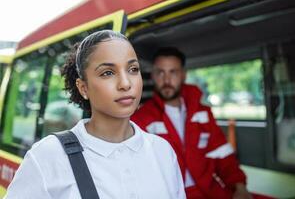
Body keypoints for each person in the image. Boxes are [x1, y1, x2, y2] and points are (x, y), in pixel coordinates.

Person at [4, 31, 186, 199]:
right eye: (108, 73)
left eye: (133, 69)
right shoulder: (47, 156)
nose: (125, 84)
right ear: (83, 88)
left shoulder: (163, 152)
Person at [131, 47, 252, 199]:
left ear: (183, 75)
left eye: (173, 72)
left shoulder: (203, 113)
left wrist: (239, 187)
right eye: (160, 72)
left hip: (210, 191)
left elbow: (223, 154)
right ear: (153, 76)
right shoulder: (140, 118)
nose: (166, 80)